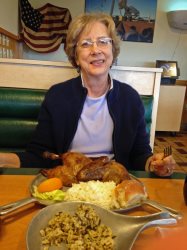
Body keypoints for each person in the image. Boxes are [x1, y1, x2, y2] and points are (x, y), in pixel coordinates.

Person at [0, 12, 175, 176]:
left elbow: (139, 154)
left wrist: (154, 163)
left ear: (112, 51)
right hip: (69, 183)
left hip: (113, 183)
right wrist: (3, 159)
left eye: (103, 41)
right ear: (75, 56)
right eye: (85, 44)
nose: (95, 50)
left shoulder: (130, 98)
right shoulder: (57, 96)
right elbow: (39, 155)